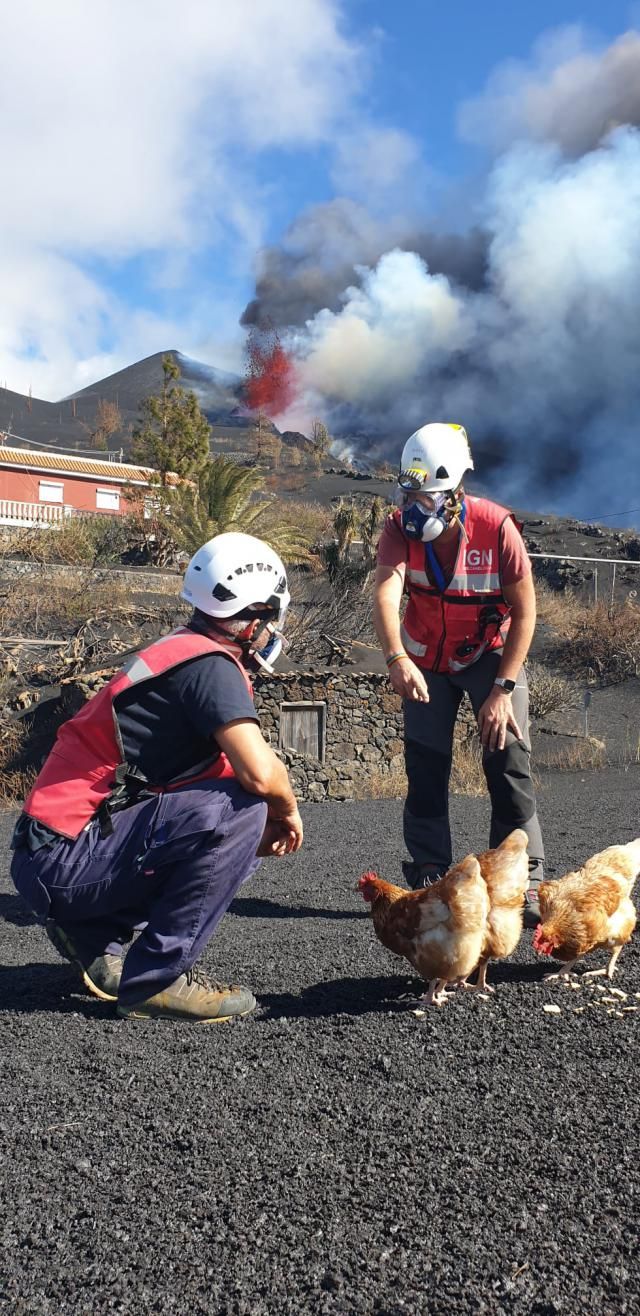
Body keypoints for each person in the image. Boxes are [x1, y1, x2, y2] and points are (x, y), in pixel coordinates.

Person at [10, 532, 303, 1022]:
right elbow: (259, 771)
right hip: (64, 862)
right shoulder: (211, 668)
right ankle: (155, 980)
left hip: (49, 856)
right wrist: (285, 810)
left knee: (241, 824)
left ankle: (90, 932)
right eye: (269, 617)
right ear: (256, 614)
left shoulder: (182, 652)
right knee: (242, 810)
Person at [373, 422, 544, 927]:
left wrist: (502, 690)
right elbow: (386, 593)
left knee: (508, 761)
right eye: (409, 494)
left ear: (455, 494)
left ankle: (522, 878)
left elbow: (526, 612)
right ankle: (430, 869)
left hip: (491, 656)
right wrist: (396, 658)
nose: (414, 508)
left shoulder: (496, 528)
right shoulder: (396, 529)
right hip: (425, 659)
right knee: (426, 767)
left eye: (426, 498)